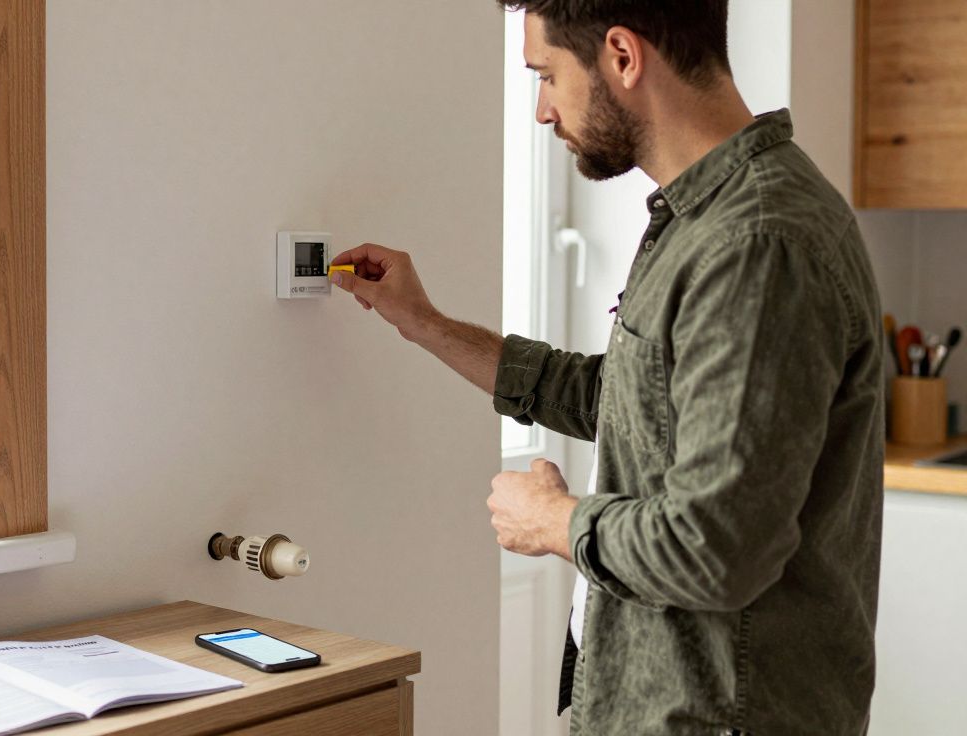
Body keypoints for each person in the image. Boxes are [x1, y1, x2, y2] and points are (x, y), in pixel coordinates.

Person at [330, 2, 884, 734]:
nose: (540, 110)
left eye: (548, 75)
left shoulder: (757, 242)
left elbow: (717, 548)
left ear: (622, 56)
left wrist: (556, 523)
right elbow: (623, 400)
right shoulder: (704, 222)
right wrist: (424, 324)